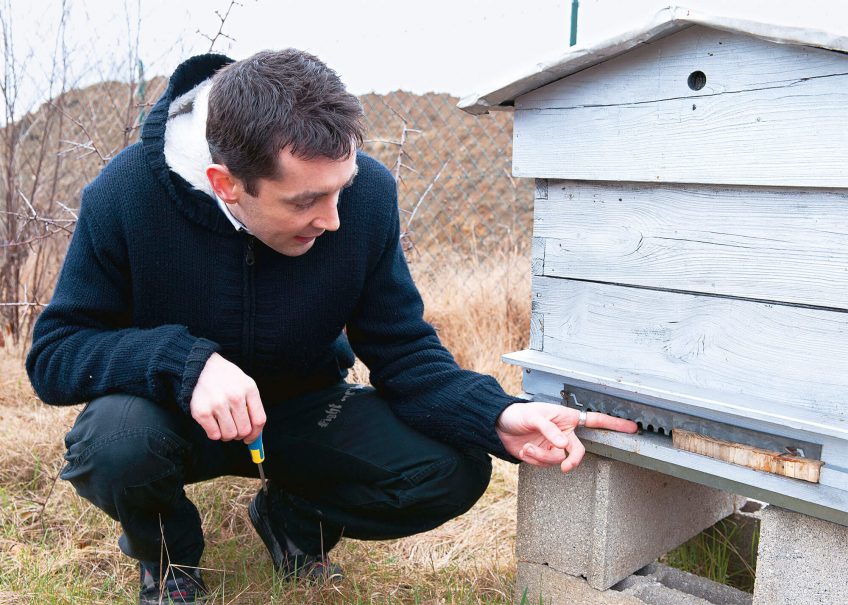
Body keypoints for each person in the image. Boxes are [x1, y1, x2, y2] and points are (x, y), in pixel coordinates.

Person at [26, 49, 637, 604]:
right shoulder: (127, 194)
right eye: (304, 202)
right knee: (113, 446)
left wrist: (497, 414)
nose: (334, 220)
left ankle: (291, 521)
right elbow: (56, 353)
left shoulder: (366, 195)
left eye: (340, 189)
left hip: (300, 412)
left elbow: (402, 351)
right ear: (226, 185)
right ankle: (170, 560)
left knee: (453, 468)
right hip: (169, 418)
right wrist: (186, 365)